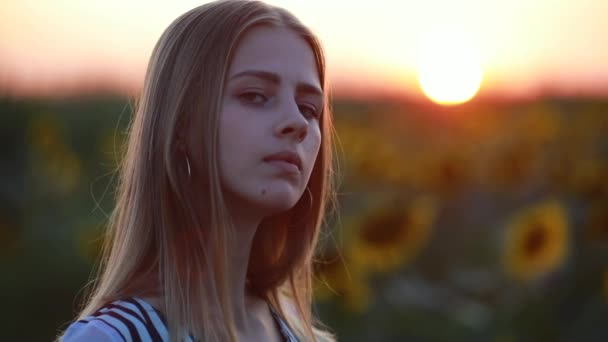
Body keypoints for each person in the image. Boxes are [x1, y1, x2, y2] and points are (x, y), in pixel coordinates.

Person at [58, 0, 337, 341]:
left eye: (309, 107)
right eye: (255, 95)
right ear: (180, 126)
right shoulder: (113, 337)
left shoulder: (301, 333)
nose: (297, 122)